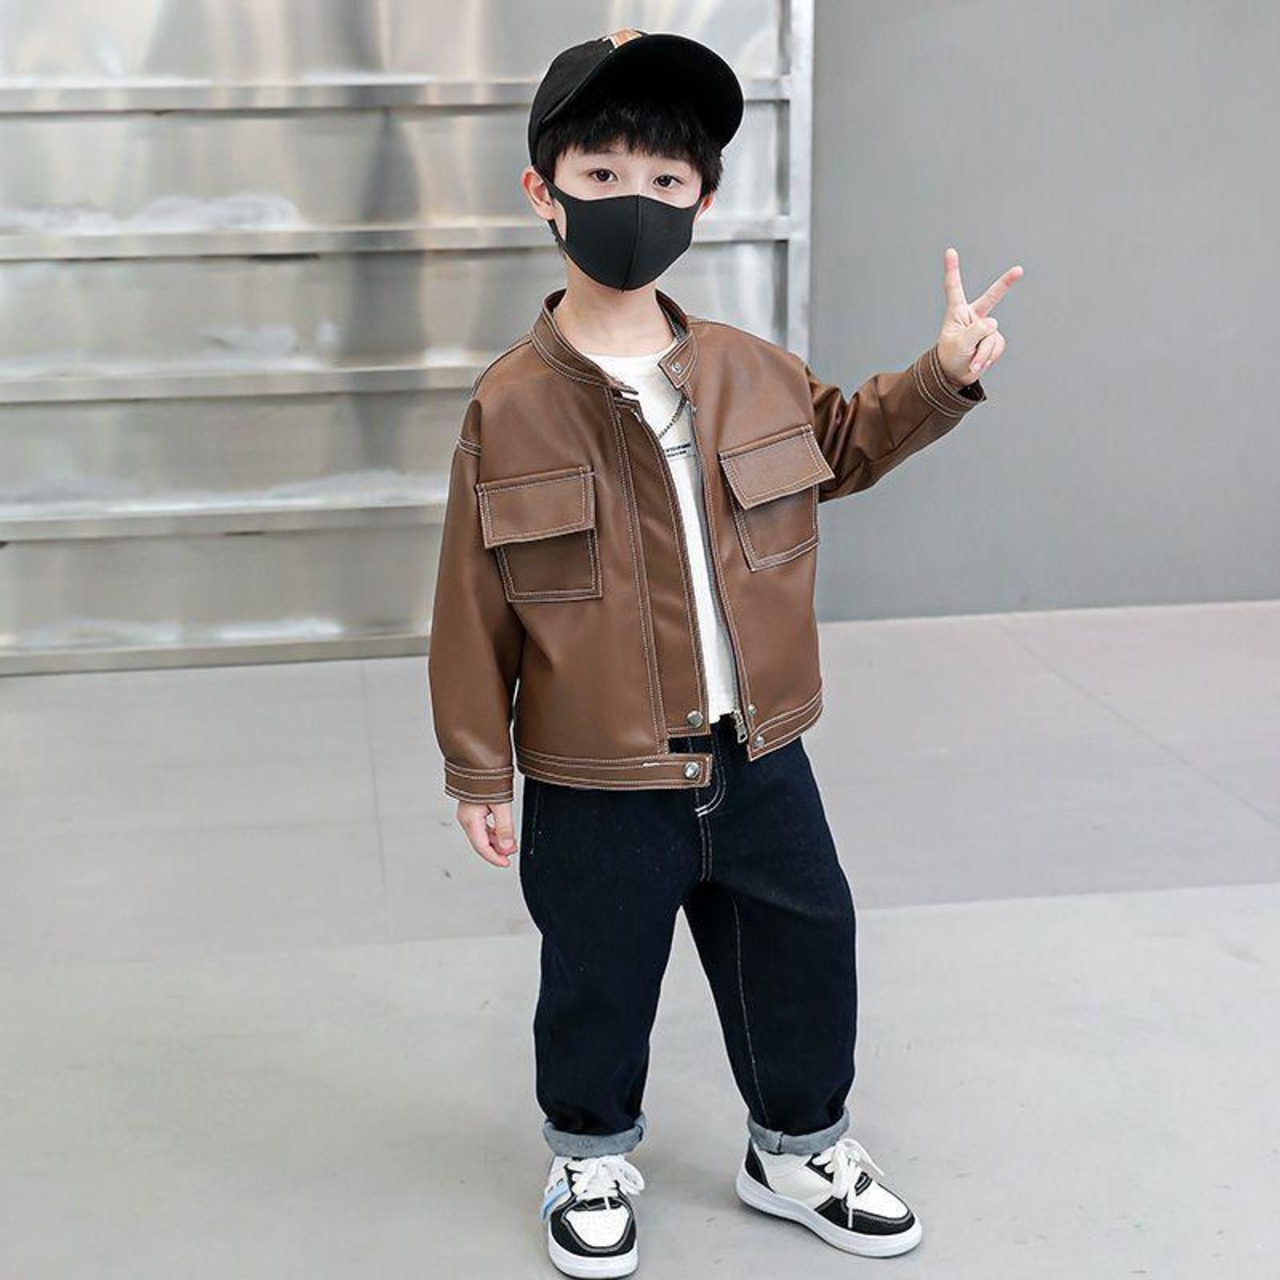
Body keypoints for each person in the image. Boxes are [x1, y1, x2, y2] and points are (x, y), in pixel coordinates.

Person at [427, 28, 1021, 1278]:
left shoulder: (750, 371)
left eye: (663, 180)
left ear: (701, 200)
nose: (631, 202)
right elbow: (471, 600)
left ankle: (797, 1148)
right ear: (542, 190)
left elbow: (845, 441)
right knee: (596, 975)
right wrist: (479, 767)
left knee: (803, 943)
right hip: (594, 772)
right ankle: (589, 1152)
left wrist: (940, 373)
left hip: (757, 754)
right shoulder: (508, 404)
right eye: (600, 176)